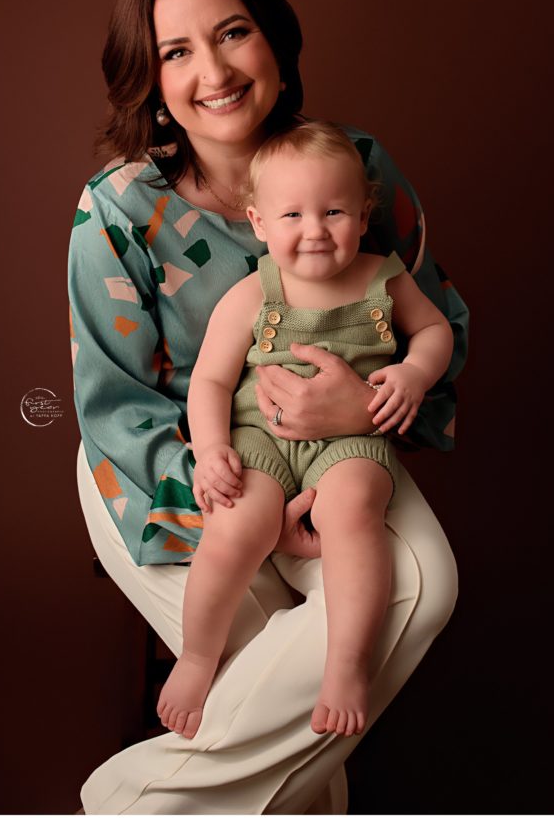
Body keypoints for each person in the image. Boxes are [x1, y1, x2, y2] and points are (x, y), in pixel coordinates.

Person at [68, 0, 468, 814]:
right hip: (178, 465)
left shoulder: (354, 167)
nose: (213, 68)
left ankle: (134, 801)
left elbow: (440, 328)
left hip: (343, 448)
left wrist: (360, 409)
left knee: (423, 588)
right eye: (177, 50)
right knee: (260, 667)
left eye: (233, 31)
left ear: (278, 47)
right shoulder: (117, 209)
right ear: (157, 84)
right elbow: (114, 408)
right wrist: (242, 497)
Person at [157, 122, 455, 742]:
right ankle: (197, 655)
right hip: (260, 435)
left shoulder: (384, 277)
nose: (314, 230)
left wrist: (411, 373)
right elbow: (210, 381)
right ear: (259, 223)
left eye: (334, 211)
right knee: (235, 524)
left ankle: (346, 666)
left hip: (353, 436)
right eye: (291, 214)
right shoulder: (251, 294)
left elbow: (435, 331)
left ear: (364, 211)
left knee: (354, 518)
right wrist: (211, 449)